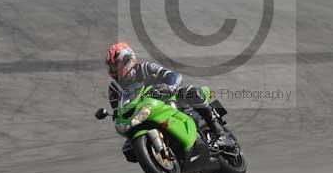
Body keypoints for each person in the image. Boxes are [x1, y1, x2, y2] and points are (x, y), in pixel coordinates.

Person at [95, 42, 233, 149]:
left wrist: (171, 87)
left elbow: (173, 75)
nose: (114, 69)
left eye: (116, 65)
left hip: (167, 99)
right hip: (143, 114)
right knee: (128, 149)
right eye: (112, 66)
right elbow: (119, 111)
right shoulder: (114, 89)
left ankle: (219, 133)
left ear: (128, 60)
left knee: (192, 92)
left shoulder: (146, 68)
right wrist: (115, 117)